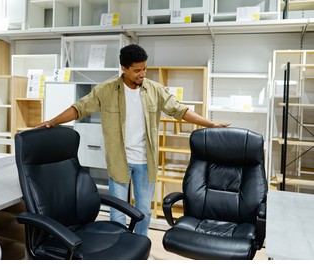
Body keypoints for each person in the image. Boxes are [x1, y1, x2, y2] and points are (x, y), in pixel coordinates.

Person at [37, 44, 230, 236]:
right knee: (118, 212)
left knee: (144, 211)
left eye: (144, 68)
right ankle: (117, 246)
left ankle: (140, 246)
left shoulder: (155, 90)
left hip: (146, 162)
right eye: (137, 70)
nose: (142, 74)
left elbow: (180, 110)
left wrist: (209, 124)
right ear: (124, 68)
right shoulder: (105, 90)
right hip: (119, 160)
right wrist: (53, 121)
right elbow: (79, 108)